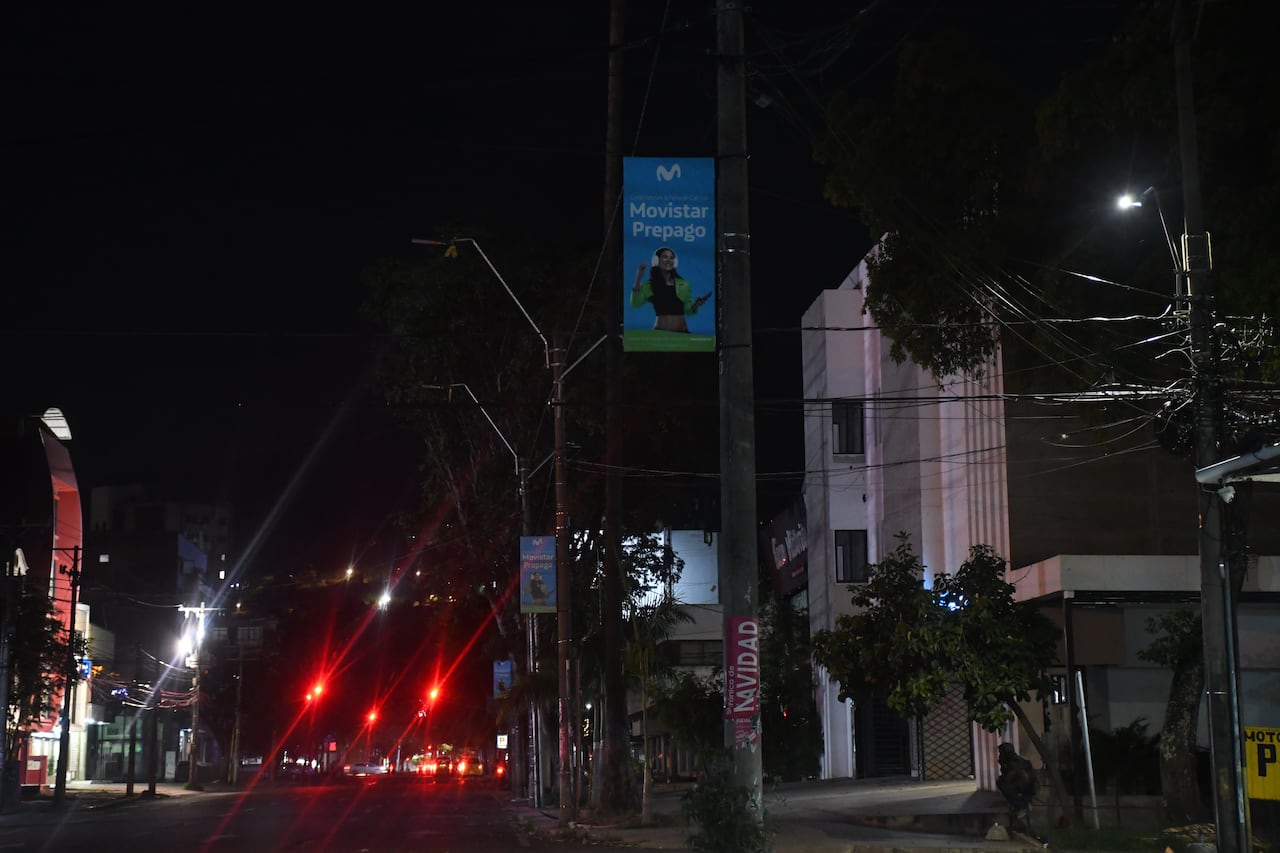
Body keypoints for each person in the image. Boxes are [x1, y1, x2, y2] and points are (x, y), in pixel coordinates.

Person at [631, 247, 710, 332]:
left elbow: (688, 312)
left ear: (675, 262)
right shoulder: (649, 285)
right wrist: (639, 276)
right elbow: (636, 303)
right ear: (656, 260)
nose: (669, 260)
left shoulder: (684, 284)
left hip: (683, 333)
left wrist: (695, 305)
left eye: (671, 258)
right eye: (665, 257)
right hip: (660, 333)